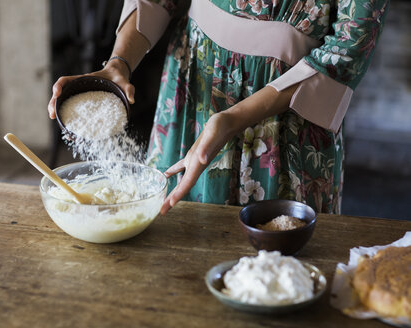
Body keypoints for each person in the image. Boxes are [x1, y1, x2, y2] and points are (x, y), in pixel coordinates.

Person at [48, 0, 389, 215]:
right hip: (191, 90)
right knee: (171, 245)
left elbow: (347, 49)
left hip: (286, 114)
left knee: (277, 269)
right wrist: (118, 63)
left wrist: (232, 118)